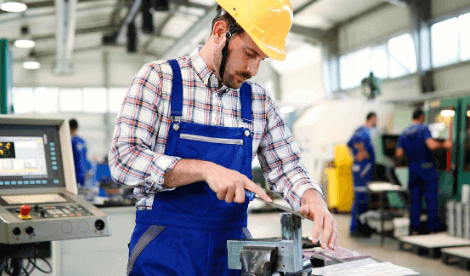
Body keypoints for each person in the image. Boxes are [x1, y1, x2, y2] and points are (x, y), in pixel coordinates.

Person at [108, 1, 338, 275]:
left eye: (261, 59)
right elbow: (124, 159)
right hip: (164, 248)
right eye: (249, 53)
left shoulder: (258, 101)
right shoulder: (159, 79)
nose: (253, 69)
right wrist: (205, 170)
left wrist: (312, 197)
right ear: (220, 32)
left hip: (232, 254)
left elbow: (286, 164)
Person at [395, 109, 452, 234]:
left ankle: (415, 227)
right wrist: (445, 145)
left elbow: (399, 153)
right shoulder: (424, 129)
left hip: (413, 170)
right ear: (421, 117)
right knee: (431, 198)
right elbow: (431, 145)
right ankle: (433, 228)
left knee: (415, 199)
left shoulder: (404, 132)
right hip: (426, 168)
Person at [347, 112, 377, 238]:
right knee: (360, 198)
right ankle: (355, 228)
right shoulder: (364, 131)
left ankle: (361, 226)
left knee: (362, 198)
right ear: (372, 118)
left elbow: (349, 143)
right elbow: (356, 144)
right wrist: (361, 152)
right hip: (363, 168)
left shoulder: (359, 130)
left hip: (361, 167)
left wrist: (356, 154)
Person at [69, 119, 90, 188]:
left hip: (75, 173)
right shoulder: (83, 141)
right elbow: (85, 157)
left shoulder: (71, 141)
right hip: (83, 171)